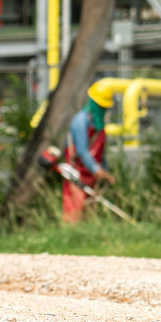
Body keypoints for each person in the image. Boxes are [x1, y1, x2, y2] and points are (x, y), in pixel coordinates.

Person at [62, 82, 116, 222]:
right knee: (76, 207)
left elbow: (100, 152)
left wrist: (105, 170)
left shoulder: (99, 124)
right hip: (78, 171)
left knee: (91, 209)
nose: (103, 109)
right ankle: (71, 238)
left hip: (93, 174)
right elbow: (82, 150)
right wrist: (96, 170)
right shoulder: (81, 121)